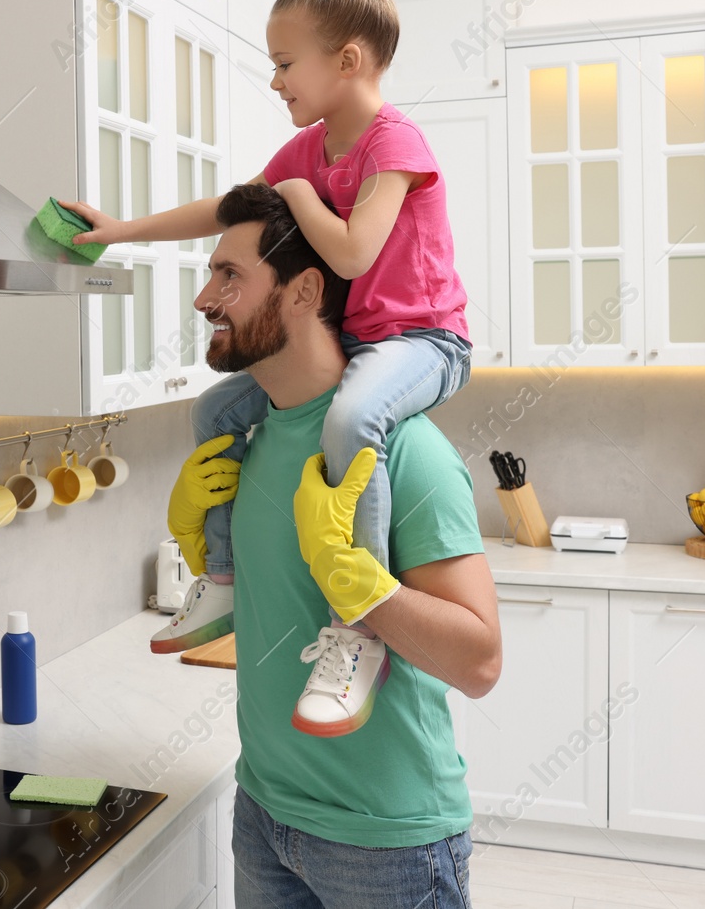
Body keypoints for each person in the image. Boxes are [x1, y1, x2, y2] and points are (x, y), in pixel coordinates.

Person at [62, 0, 472, 734]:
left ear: (347, 59)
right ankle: (219, 577)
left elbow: (352, 248)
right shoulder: (306, 151)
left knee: (355, 421)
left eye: (286, 64)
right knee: (213, 415)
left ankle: (358, 623)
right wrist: (122, 230)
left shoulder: (395, 143)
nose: (276, 79)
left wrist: (295, 192)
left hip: (424, 341)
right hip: (363, 342)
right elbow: (230, 210)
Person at [171, 182, 499, 907]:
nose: (204, 298)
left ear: (303, 290)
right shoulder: (247, 442)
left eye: (230, 275)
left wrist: (363, 584)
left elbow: (479, 661)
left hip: (388, 848)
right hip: (263, 814)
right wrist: (200, 546)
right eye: (208, 273)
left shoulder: (405, 452)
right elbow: (270, 598)